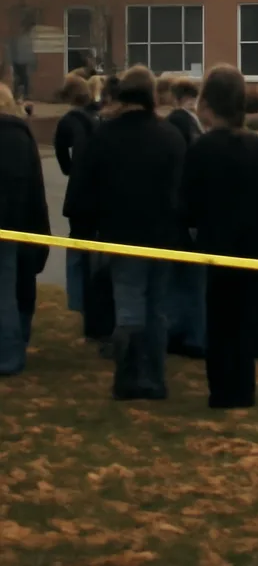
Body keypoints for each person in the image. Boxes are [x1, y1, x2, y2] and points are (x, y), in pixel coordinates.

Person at [65, 66, 187, 400]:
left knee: (129, 306)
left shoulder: (104, 137)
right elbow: (181, 191)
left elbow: (86, 189)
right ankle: (155, 377)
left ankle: (129, 378)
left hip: (121, 233)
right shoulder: (171, 137)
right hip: (163, 237)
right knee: (157, 308)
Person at [181, 65, 258, 409]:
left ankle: (224, 390)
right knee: (244, 321)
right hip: (255, 247)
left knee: (221, 321)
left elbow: (187, 204)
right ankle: (243, 388)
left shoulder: (201, 150)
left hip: (217, 246)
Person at [0, 83, 50, 377]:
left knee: (4, 291)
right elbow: (35, 187)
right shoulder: (22, 137)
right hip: (18, 223)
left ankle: (7, 355)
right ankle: (14, 346)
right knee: (14, 288)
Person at [54, 74, 100, 330]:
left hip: (79, 196)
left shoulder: (68, 123)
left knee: (77, 249)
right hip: (99, 194)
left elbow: (62, 156)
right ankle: (95, 304)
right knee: (96, 250)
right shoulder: (99, 119)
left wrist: (71, 170)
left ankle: (78, 300)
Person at [164, 77, 206, 359]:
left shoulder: (178, 123)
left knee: (186, 277)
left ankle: (189, 333)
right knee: (192, 278)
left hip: (184, 210)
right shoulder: (190, 125)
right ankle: (194, 332)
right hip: (192, 210)